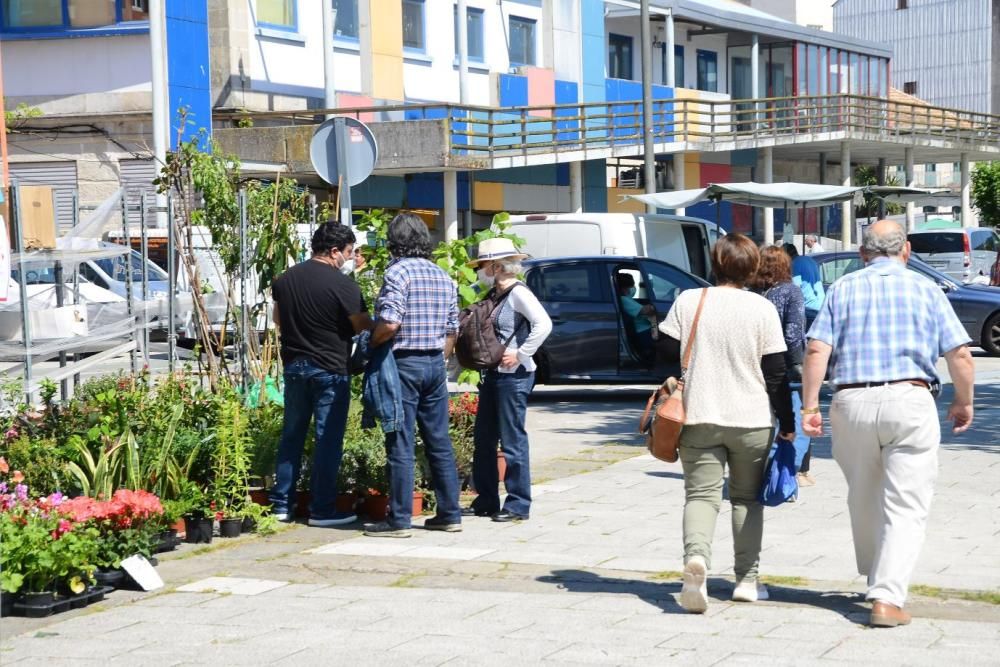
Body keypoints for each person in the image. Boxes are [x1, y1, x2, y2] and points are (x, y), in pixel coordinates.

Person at [801, 220, 975, 628]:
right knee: (906, 503)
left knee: (863, 493)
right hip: (910, 399)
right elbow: (961, 355)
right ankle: (887, 595)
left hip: (852, 400)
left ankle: (875, 575)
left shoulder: (842, 288)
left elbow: (816, 349)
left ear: (863, 253)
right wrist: (963, 401)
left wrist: (809, 406)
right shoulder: (927, 289)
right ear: (907, 251)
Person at [659, 234, 795, 614]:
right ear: (752, 268)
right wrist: (787, 421)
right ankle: (747, 580)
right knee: (747, 499)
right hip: (751, 419)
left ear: (715, 264)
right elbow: (777, 373)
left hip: (699, 414)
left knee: (700, 496)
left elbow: (665, 352)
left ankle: (696, 560)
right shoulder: (761, 309)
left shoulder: (689, 301)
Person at [366, 213, 463, 538]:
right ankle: (450, 514)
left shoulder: (397, 273)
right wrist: (439, 358)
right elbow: (453, 329)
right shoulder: (443, 276)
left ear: (395, 241)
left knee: (400, 440)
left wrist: (371, 341)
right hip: (435, 363)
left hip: (403, 363)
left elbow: (390, 323)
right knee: (439, 440)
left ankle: (400, 520)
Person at [270, 223, 372, 527]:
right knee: (327, 439)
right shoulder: (343, 285)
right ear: (334, 251)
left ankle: (281, 506)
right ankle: (322, 509)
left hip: (294, 367)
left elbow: (278, 320)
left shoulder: (285, 279)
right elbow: (362, 326)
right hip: (330, 369)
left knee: (291, 436)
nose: (350, 258)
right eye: (349, 252)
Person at [465, 238, 552, 522]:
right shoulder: (496, 292)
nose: (479, 270)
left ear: (495, 266)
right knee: (484, 439)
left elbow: (544, 324)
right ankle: (487, 499)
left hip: (514, 375)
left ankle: (517, 504)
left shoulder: (518, 293)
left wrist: (520, 353)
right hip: (494, 375)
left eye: (482, 265)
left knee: (512, 440)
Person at [750, 246, 814, 487]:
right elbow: (793, 333)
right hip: (785, 363)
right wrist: (798, 362)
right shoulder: (791, 292)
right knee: (795, 416)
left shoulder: (752, 293)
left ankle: (758, 466)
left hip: (755, 362)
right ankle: (792, 472)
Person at [615, 273, 655, 357]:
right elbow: (644, 311)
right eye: (632, 285)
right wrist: (656, 305)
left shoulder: (628, 299)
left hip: (646, 330)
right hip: (643, 332)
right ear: (624, 288)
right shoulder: (624, 300)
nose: (634, 288)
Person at [783, 243, 825, 312]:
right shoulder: (809, 259)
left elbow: (795, 289)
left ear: (786, 256)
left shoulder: (794, 264)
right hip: (821, 304)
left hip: (809, 307)